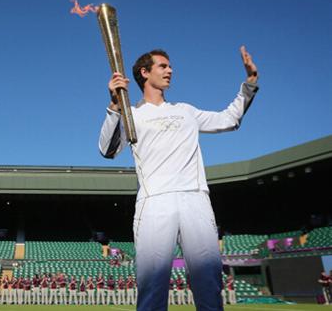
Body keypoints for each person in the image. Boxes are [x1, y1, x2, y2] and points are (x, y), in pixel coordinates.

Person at [99, 47, 259, 311]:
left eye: (170, 66)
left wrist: (250, 83)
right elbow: (108, 150)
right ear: (144, 72)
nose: (170, 70)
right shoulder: (133, 115)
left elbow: (229, 119)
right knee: (152, 287)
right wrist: (115, 106)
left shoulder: (186, 111)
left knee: (208, 283)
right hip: (155, 203)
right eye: (162, 66)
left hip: (195, 198)